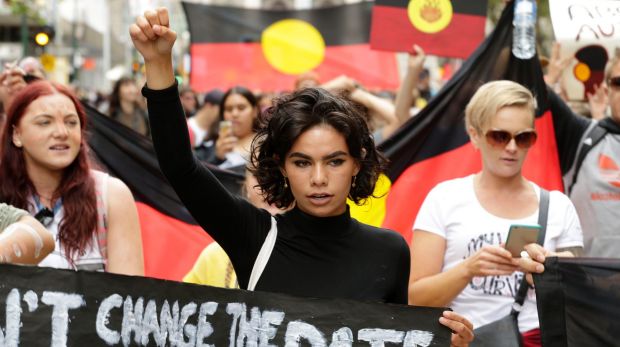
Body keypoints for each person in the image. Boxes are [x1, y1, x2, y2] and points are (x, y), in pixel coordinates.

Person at [130, 8, 473, 345]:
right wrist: (159, 64)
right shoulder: (255, 237)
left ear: (357, 163)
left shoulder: (390, 251)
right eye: (303, 163)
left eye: (335, 161)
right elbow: (179, 166)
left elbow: (396, 339)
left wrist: (444, 342)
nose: (319, 178)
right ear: (282, 166)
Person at [409, 80, 583, 346]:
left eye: (523, 137)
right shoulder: (444, 198)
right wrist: (468, 269)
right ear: (475, 135)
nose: (512, 147)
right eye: (499, 136)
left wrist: (547, 271)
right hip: (462, 340)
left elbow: (580, 297)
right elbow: (414, 298)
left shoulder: (559, 206)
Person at [0, 80, 144, 275]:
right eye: (45, 122)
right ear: (17, 134)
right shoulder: (4, 196)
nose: (61, 132)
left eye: (71, 122)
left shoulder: (110, 196)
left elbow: (129, 297)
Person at [551, 54, 620, 257]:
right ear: (607, 91)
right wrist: (549, 78)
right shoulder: (581, 135)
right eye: (619, 82)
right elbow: (531, 93)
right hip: (587, 282)